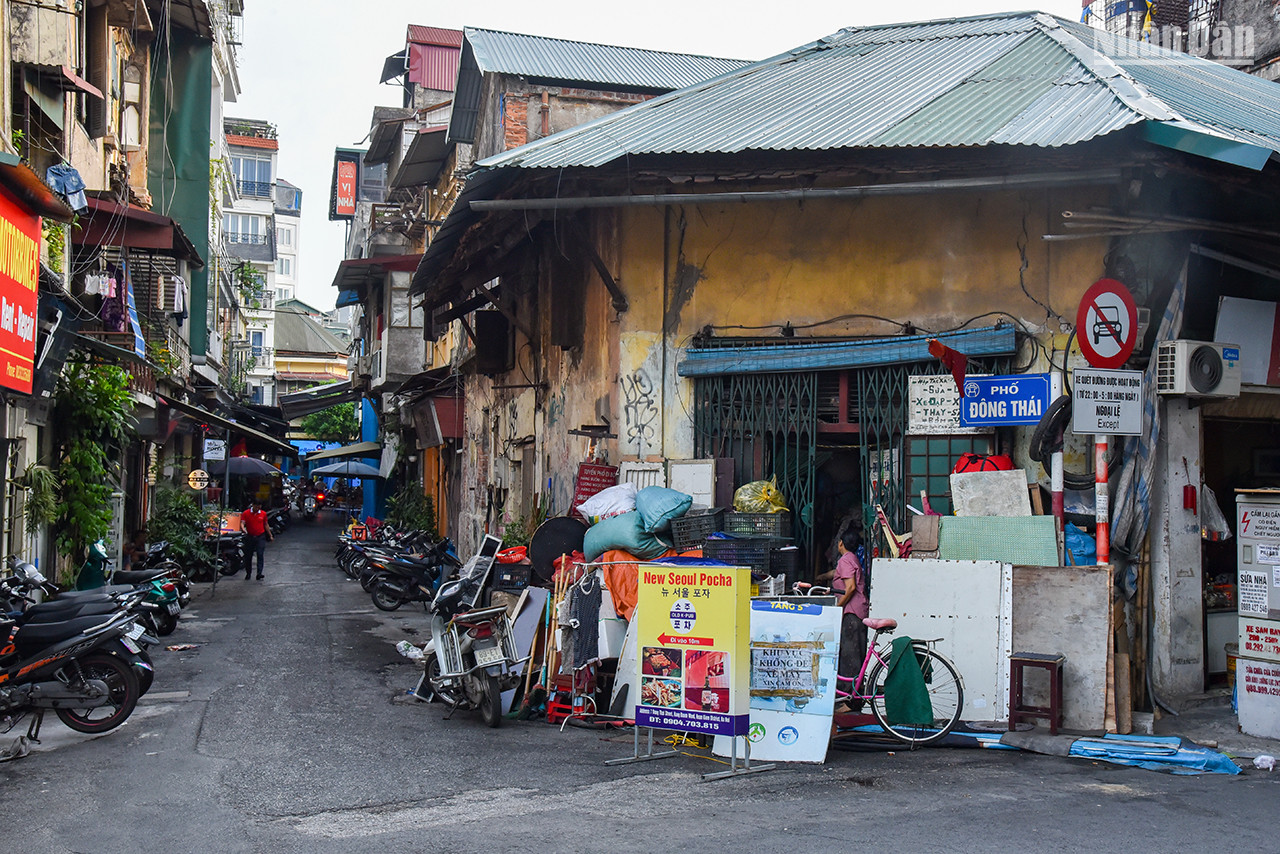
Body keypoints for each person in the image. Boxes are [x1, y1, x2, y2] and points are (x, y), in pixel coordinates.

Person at [832, 528, 869, 693]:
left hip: (851, 615)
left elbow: (851, 587)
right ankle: (853, 694)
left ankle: (851, 697)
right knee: (856, 655)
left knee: (850, 658)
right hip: (858, 612)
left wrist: (837, 607)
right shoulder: (852, 558)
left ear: (841, 543)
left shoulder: (844, 560)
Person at [241, 499, 273, 580]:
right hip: (250, 536)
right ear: (253, 505)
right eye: (256, 506)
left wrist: (270, 535)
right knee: (248, 556)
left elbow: (266, 524)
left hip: (260, 537)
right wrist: (243, 528)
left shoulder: (263, 514)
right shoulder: (246, 513)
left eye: (259, 506)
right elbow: (242, 522)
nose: (257, 508)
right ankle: (248, 573)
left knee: (260, 554)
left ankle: (259, 573)